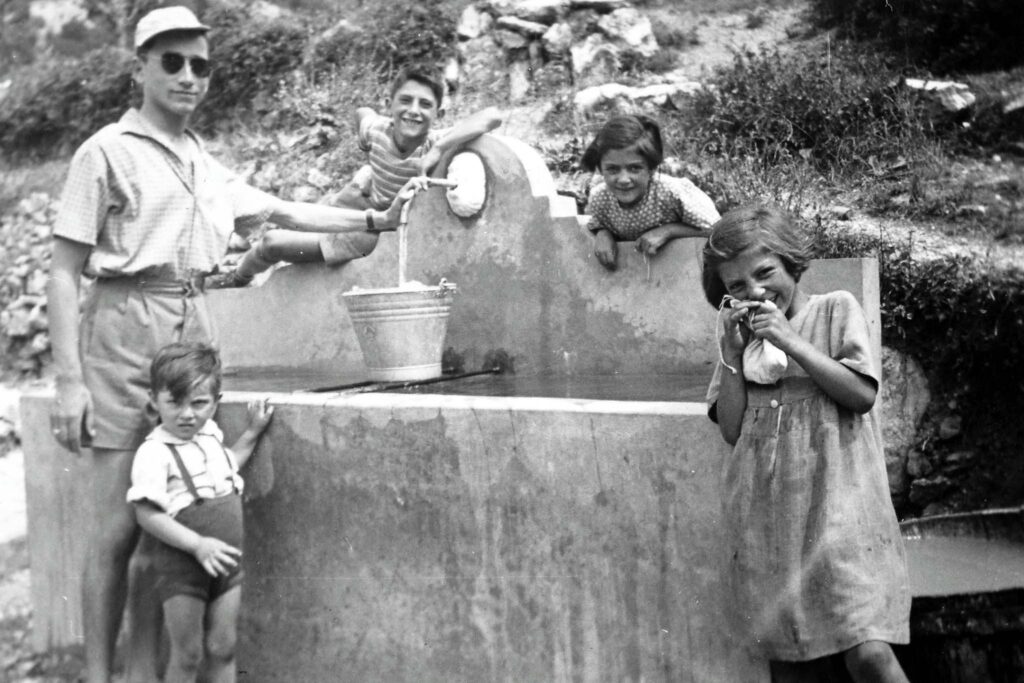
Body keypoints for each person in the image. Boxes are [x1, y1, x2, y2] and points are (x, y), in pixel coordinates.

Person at [45, 7, 425, 682]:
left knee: (170, 510)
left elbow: (280, 210)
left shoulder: (201, 160)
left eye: (201, 65)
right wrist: (69, 380)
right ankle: (97, 675)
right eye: (173, 61)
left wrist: (374, 218)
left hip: (195, 322)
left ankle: (144, 672)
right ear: (140, 68)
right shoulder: (104, 151)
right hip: (123, 325)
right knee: (114, 526)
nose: (189, 75)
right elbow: (63, 268)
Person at [702, 203, 911, 682]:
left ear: (792, 263)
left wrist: (790, 340)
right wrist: (733, 356)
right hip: (768, 519)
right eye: (737, 286)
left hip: (841, 511)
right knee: (791, 663)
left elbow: (860, 394)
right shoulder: (740, 339)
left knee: (869, 651)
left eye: (764, 273)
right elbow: (731, 428)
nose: (754, 291)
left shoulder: (835, 308)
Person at [214, 63, 505, 287]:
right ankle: (237, 278)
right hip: (359, 211)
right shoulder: (377, 130)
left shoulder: (434, 142)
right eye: (406, 100)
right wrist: (361, 137)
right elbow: (362, 113)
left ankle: (238, 279)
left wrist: (439, 149)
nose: (413, 111)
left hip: (376, 237)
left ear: (438, 115)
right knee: (295, 226)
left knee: (272, 243)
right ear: (389, 103)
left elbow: (493, 115)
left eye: (425, 104)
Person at [128, 342, 271, 683]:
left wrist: (252, 432)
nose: (186, 414)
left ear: (216, 402)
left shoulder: (209, 436)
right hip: (184, 568)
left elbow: (226, 469)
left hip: (228, 563)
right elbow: (147, 515)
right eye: (174, 403)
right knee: (187, 654)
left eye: (199, 403)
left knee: (224, 647)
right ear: (154, 400)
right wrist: (197, 545)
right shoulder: (154, 452)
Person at [581, 115, 720, 271]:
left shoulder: (670, 193)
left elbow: (717, 229)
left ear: (651, 168)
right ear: (600, 169)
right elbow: (597, 223)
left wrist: (668, 231)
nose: (623, 179)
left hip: (688, 269)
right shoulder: (601, 198)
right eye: (613, 169)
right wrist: (603, 234)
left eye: (634, 168)